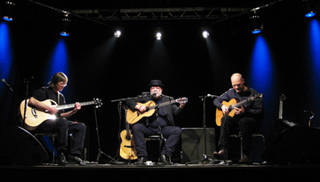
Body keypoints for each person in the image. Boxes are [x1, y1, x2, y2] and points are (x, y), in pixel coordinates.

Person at [27, 72, 86, 166]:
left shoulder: (60, 97)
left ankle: (74, 155)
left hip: (57, 123)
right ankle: (61, 154)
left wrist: (73, 111)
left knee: (81, 126)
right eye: (61, 83)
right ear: (55, 82)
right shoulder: (44, 91)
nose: (63, 86)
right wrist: (48, 108)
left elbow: (60, 116)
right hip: (43, 122)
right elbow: (31, 101)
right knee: (63, 122)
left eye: (65, 83)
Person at [125, 80, 186, 165]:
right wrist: (138, 106)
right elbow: (128, 100)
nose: (155, 90)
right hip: (148, 127)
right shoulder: (145, 97)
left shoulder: (168, 99)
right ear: (150, 90)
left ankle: (165, 155)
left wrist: (181, 107)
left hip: (163, 128)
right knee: (136, 127)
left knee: (177, 130)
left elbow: (176, 113)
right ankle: (142, 157)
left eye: (157, 88)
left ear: (161, 90)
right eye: (153, 88)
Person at [213, 73, 263, 164]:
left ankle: (246, 155)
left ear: (243, 81)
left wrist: (245, 112)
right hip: (236, 124)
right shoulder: (230, 92)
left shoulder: (254, 94)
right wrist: (222, 107)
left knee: (243, 121)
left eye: (238, 85)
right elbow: (216, 100)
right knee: (225, 118)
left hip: (250, 122)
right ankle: (223, 150)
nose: (236, 87)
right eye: (234, 85)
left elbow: (260, 112)